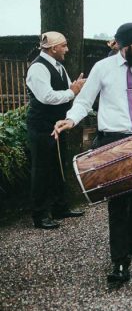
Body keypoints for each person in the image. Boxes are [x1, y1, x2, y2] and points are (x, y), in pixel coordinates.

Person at [52, 23, 132, 284]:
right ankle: (120, 263)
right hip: (112, 141)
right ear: (125, 46)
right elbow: (84, 101)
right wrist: (71, 120)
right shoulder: (102, 68)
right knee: (118, 203)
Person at [25, 31, 86, 230]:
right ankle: (40, 215)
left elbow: (68, 88)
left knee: (58, 165)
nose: (67, 50)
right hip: (41, 125)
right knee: (41, 169)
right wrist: (72, 92)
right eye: (64, 46)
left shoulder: (58, 66)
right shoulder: (38, 69)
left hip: (56, 123)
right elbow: (47, 97)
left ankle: (60, 207)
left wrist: (75, 87)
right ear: (53, 48)